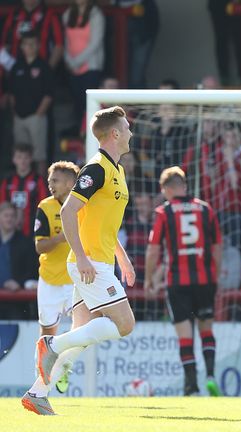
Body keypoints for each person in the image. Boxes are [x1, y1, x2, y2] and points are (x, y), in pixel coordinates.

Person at [22, 106, 136, 415]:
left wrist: (122, 258)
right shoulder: (96, 167)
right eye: (126, 127)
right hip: (90, 264)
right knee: (125, 324)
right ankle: (51, 345)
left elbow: (101, 222)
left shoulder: (118, 170)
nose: (130, 132)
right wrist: (83, 258)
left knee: (81, 337)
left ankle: (37, 393)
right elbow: (67, 211)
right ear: (114, 133)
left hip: (99, 261)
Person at [144, 166, 223, 397]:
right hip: (205, 280)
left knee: (185, 335)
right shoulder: (206, 209)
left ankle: (191, 387)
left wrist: (148, 278)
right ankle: (210, 375)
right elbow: (218, 247)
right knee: (206, 329)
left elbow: (153, 250)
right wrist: (214, 275)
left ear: (166, 189)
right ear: (184, 186)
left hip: (178, 283)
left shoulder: (163, 212)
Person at [33, 161, 79, 393]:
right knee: (47, 334)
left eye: (56, 180)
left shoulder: (82, 205)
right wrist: (61, 239)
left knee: (81, 328)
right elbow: (40, 247)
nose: (50, 184)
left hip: (75, 280)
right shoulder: (45, 206)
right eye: (50, 180)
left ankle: (64, 366)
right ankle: (39, 382)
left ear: (71, 183)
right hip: (49, 279)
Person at [8, 32, 54, 167]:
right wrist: (14, 112)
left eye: (33, 44)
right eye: (26, 44)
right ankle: (22, 182)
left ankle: (41, 185)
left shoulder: (44, 66)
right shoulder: (17, 66)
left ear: (38, 45)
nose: (30, 47)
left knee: (39, 155)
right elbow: (11, 92)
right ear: (21, 46)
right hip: (19, 117)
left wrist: (40, 113)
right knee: (21, 153)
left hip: (36, 117)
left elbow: (49, 93)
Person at [1, 144, 48, 237]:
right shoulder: (7, 181)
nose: (22, 161)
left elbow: (44, 205)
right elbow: (2, 206)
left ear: (31, 159)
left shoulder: (38, 181)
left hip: (32, 231)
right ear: (14, 159)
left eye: (26, 157)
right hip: (10, 232)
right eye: (19, 157)